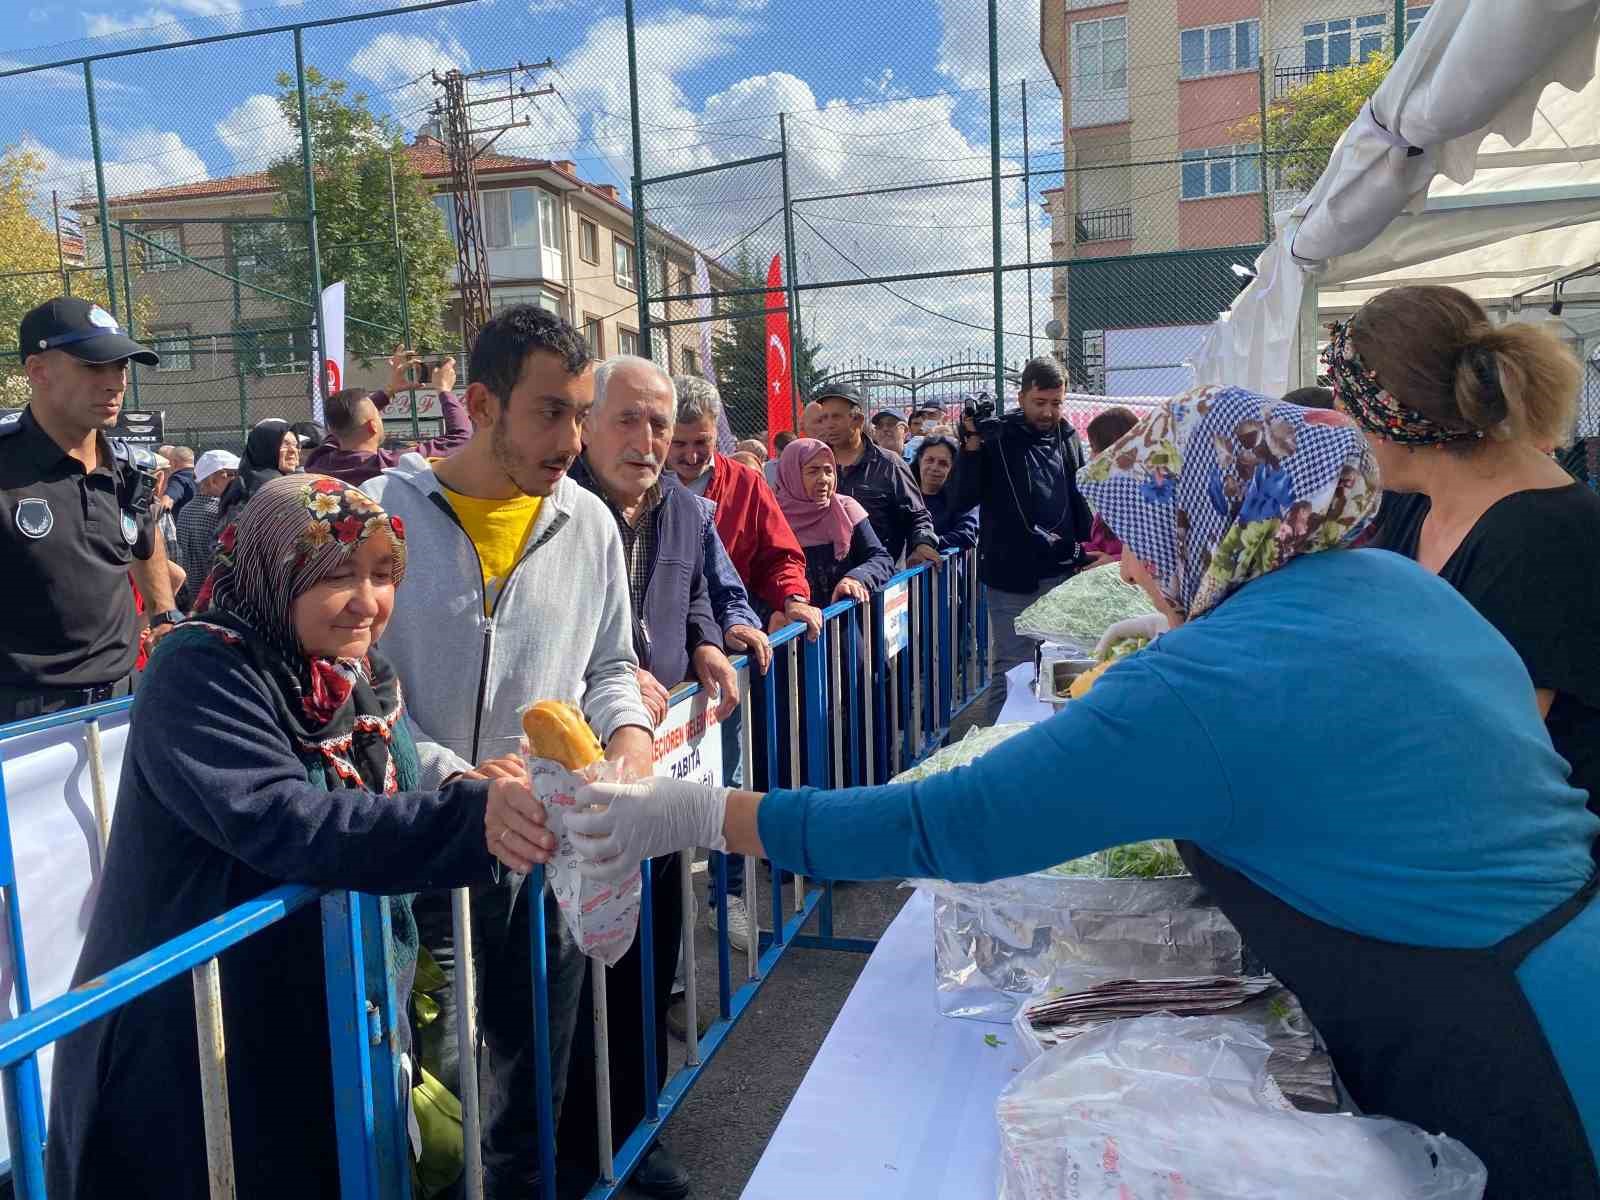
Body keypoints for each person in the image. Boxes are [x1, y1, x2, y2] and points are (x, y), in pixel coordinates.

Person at [567, 388, 1600, 1200]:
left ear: (1206, 522)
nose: (1136, 570)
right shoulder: (1396, 585)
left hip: (1499, 1043)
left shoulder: (1204, 681)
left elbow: (940, 824)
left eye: (1141, 538)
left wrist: (703, 814)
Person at [46, 473, 561, 1200]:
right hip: (196, 1039)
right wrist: (469, 820)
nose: (368, 599)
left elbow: (390, 775)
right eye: (337, 573)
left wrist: (463, 789)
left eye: (384, 575)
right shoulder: (201, 667)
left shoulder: (354, 669)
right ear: (274, 568)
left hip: (319, 1015)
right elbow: (283, 818)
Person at [363, 305, 653, 1200]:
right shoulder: (383, 517)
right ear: (483, 403)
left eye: (577, 411)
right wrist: (453, 776)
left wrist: (632, 735)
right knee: (432, 1093)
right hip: (426, 855)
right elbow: (358, 691)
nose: (571, 437)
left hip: (546, 855)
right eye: (549, 412)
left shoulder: (589, 523)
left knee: (534, 1079)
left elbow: (609, 663)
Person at [562, 356, 740, 1199]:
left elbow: (699, 593)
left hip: (660, 759)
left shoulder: (686, 511)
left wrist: (706, 639)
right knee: (580, 970)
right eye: (627, 420)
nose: (647, 440)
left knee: (653, 943)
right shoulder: (556, 511)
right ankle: (576, 1144)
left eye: (659, 423)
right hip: (579, 778)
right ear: (586, 423)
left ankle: (634, 1132)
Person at [1334, 284, 1600, 826]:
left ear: (1393, 423)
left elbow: (1486, 757)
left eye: (1347, 409)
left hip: (1540, 858)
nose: (1342, 424)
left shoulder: (1541, 538)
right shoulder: (1415, 502)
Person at [669, 375, 819, 952]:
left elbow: (778, 555)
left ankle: (724, 895)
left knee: (725, 777)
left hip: (723, 660)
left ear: (717, 437)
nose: (688, 455)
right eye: (678, 443)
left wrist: (790, 598)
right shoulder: (640, 484)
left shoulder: (744, 484)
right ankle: (660, 920)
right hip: (658, 665)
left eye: (700, 443)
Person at [0, 297, 179, 723]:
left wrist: (164, 614)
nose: (115, 382)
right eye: (93, 366)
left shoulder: (129, 467)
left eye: (120, 367)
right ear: (38, 370)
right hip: (22, 722)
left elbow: (143, 539)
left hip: (123, 703)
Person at [947, 359, 1093, 730]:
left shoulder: (1068, 436)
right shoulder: (998, 436)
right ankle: (993, 757)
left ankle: (1052, 747)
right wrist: (972, 444)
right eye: (1040, 402)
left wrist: (1082, 550)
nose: (1048, 412)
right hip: (1012, 578)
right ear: (1021, 397)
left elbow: (1079, 498)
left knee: (1062, 669)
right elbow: (963, 498)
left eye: (1056, 403)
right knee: (1014, 668)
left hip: (1062, 573)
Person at [810, 382, 939, 566]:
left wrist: (923, 544)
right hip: (829, 581)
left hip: (881, 578)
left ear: (858, 420)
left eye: (836, 417)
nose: (829, 425)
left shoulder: (890, 465)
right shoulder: (815, 464)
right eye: (825, 418)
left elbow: (917, 515)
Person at [305, 345, 471, 486]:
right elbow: (461, 438)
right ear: (373, 426)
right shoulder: (389, 465)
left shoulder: (317, 462)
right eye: (377, 414)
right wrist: (444, 390)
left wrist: (390, 390)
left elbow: (343, 421)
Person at [773, 438, 894, 605]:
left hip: (846, 622)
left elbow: (881, 558)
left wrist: (856, 578)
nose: (823, 479)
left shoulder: (846, 509)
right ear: (791, 474)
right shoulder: (772, 519)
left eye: (829, 471)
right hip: (794, 625)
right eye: (813, 471)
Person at [172, 449, 238, 608]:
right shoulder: (219, 512)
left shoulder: (185, 509)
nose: (237, 479)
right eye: (233, 474)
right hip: (214, 596)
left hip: (191, 593)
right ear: (216, 478)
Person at [216, 417, 300, 532]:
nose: (293, 451)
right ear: (265, 447)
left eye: (296, 445)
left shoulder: (242, 480)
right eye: (285, 444)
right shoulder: (272, 485)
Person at [1081, 406, 1141, 564]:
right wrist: (1077, 550)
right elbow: (1100, 546)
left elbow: (1155, 559)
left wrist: (1113, 562)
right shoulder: (1110, 495)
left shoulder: (1145, 501)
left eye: (1094, 448)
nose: (1091, 457)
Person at [910, 433, 978, 552]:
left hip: (945, 568)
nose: (934, 467)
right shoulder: (905, 496)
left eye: (943, 463)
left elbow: (966, 534)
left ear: (953, 467)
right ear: (920, 460)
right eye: (929, 460)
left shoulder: (964, 498)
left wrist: (926, 545)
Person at [163, 445, 197, 515]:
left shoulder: (178, 478)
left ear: (174, 463)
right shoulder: (203, 478)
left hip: (182, 524)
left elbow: (168, 501)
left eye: (169, 462)